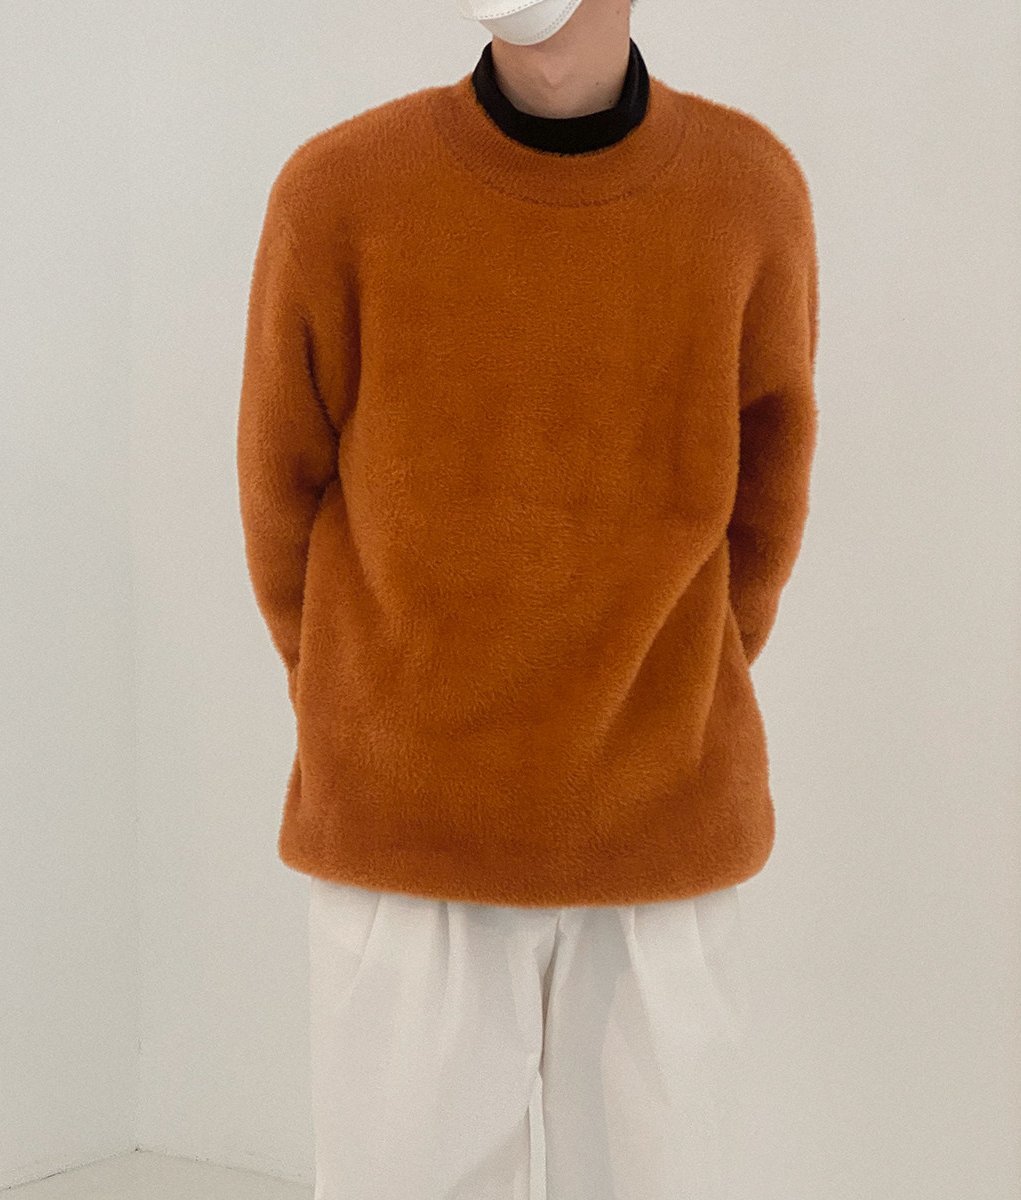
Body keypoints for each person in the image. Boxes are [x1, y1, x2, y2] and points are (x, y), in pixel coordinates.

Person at [236, 0, 819, 1195]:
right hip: (406, 845)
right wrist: (369, 712)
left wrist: (676, 690)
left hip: (663, 836)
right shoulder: (339, 195)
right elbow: (276, 499)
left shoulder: (748, 194)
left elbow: (766, 507)